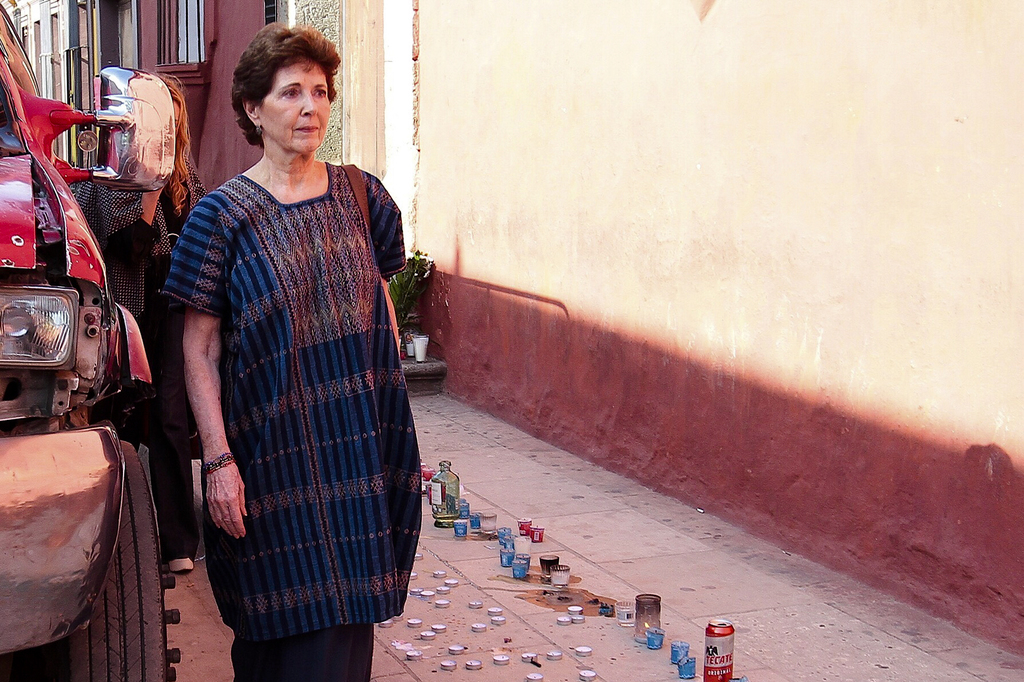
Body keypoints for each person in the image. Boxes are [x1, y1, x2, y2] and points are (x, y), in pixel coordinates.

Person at [162, 23, 421, 681]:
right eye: (291, 93)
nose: (311, 107)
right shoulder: (220, 218)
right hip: (269, 464)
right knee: (268, 639)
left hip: (355, 457)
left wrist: (388, 415)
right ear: (253, 109)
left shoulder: (363, 197)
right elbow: (199, 351)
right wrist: (218, 460)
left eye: (321, 91)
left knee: (340, 635)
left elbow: (380, 307)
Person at [73, 74, 206, 574]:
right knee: (116, 416)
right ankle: (112, 539)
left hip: (172, 308)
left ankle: (177, 543)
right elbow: (128, 247)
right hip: (124, 312)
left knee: (171, 418)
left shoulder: (189, 182)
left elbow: (202, 247)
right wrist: (147, 183)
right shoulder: (107, 178)